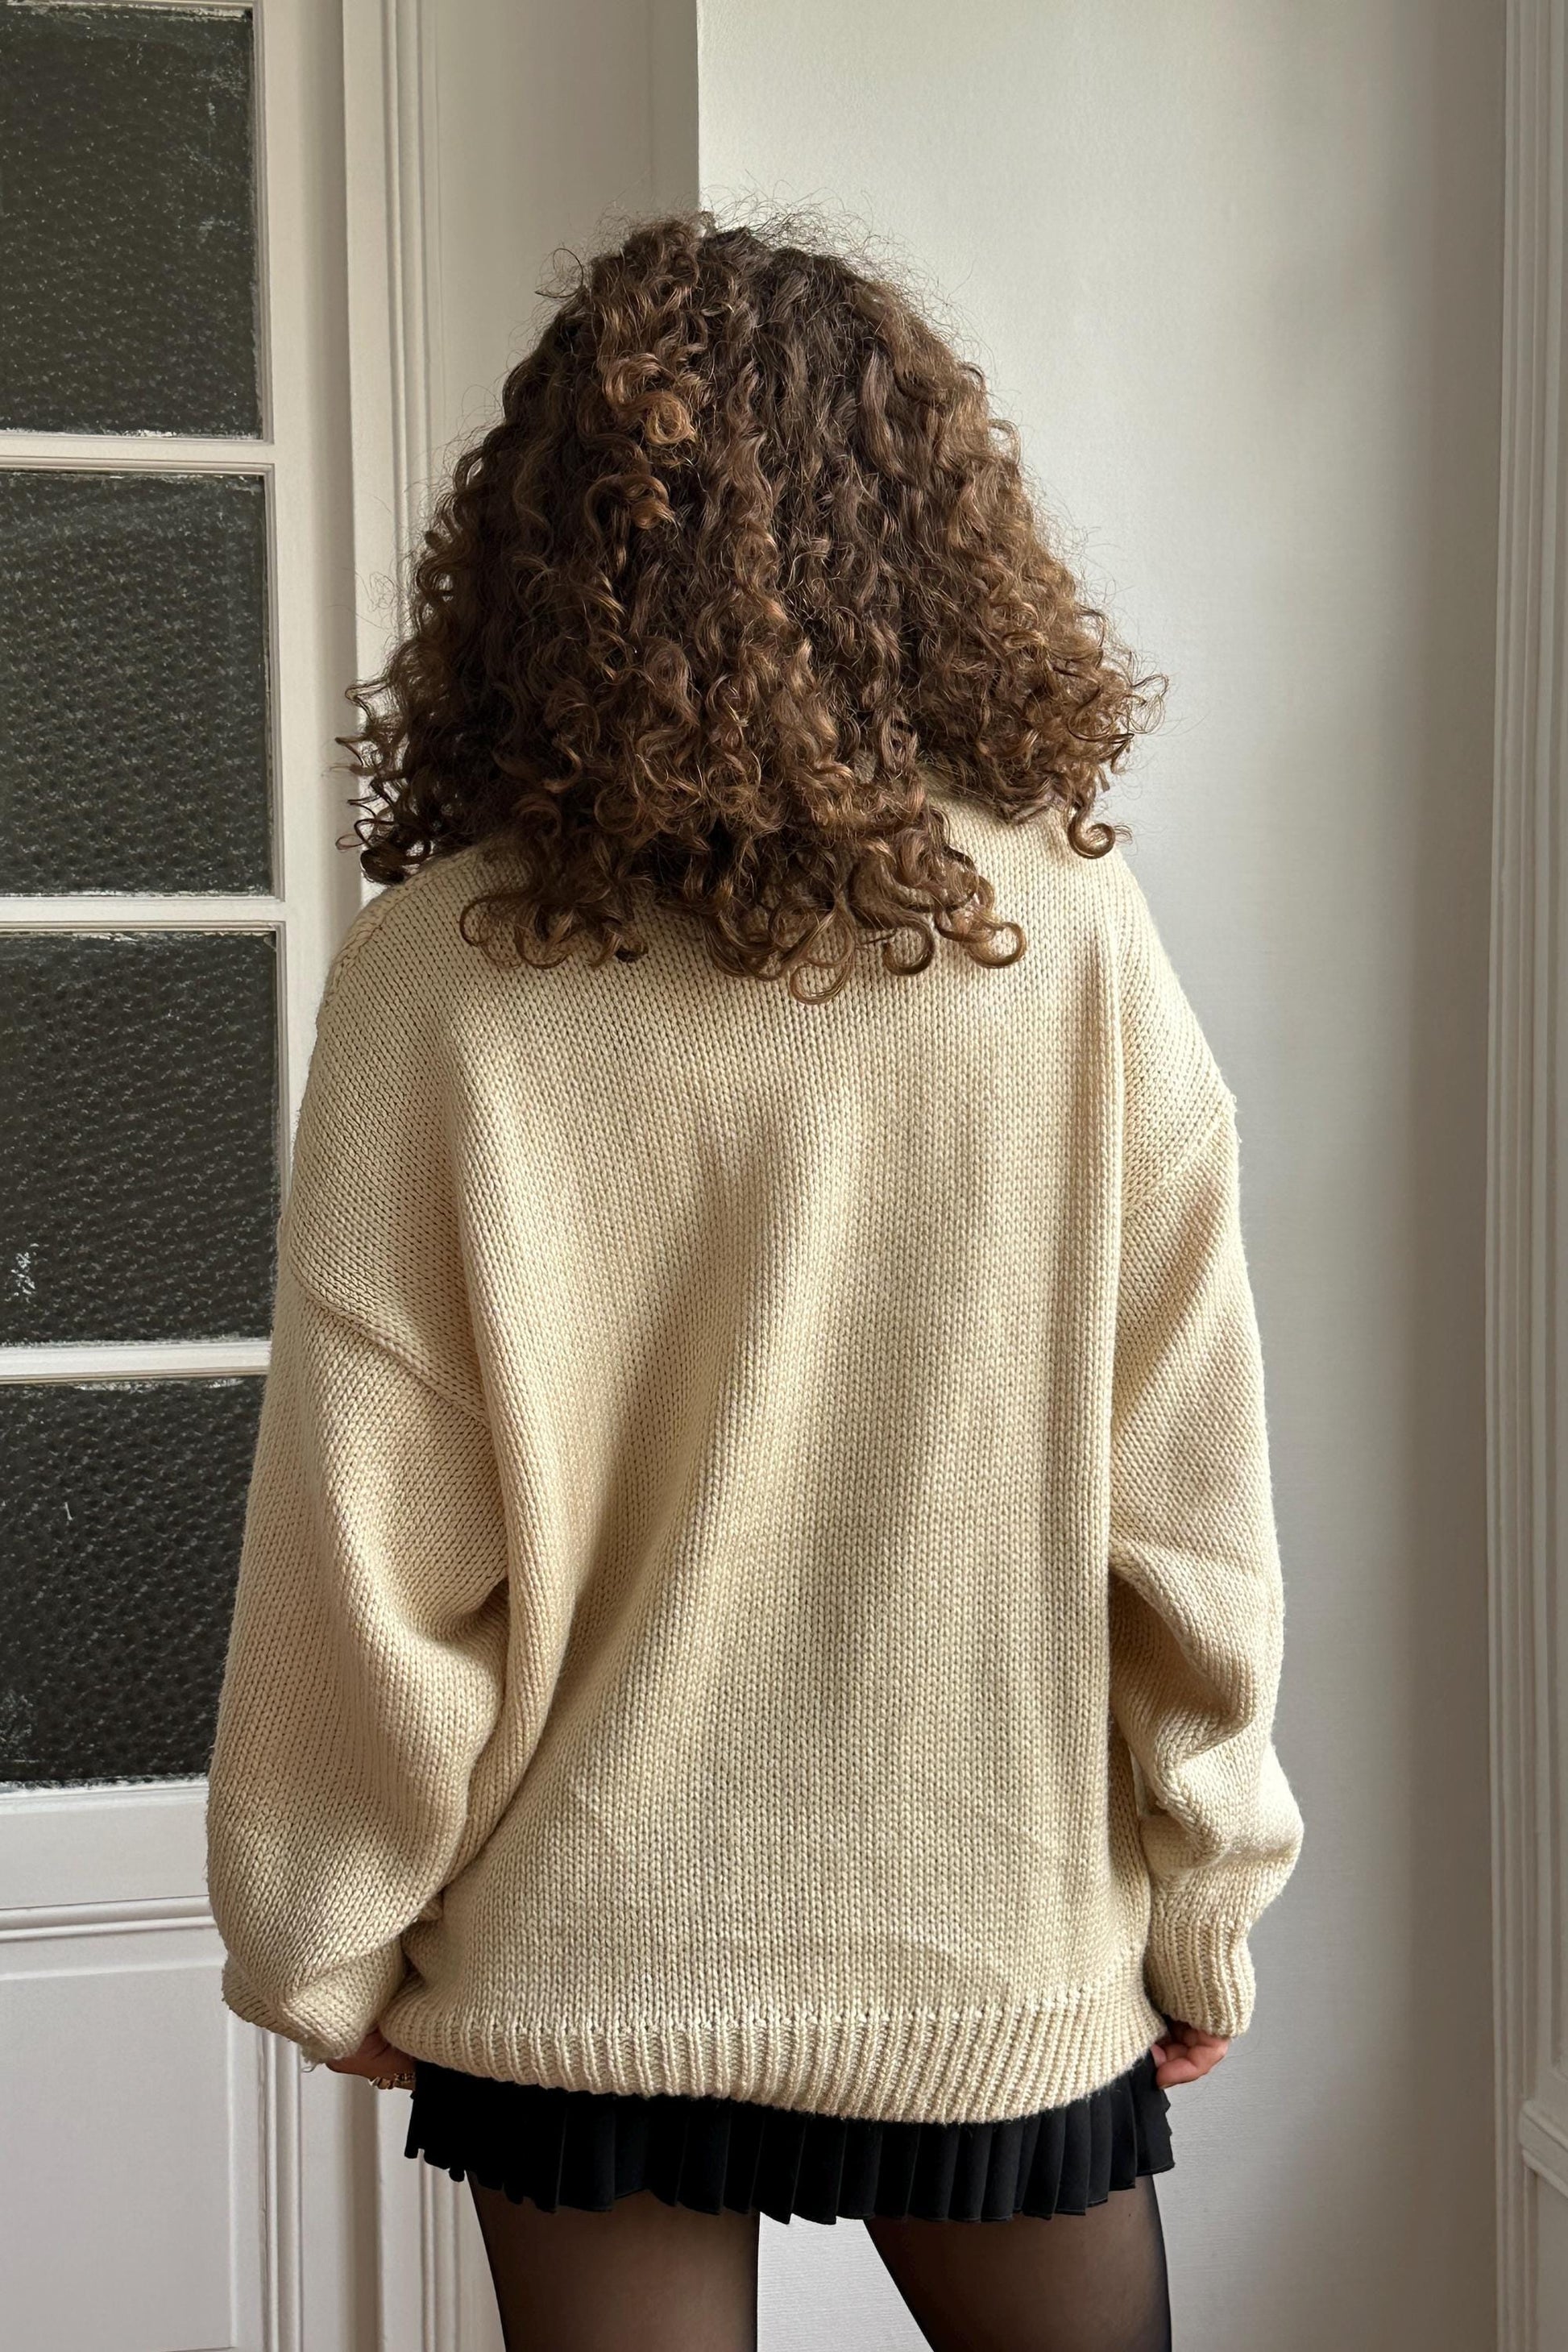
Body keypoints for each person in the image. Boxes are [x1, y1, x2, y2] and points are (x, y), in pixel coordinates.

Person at [204, 211, 1305, 2352]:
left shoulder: (437, 976)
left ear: (540, 568)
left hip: (579, 1954)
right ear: (930, 538)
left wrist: (322, 1926)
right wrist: (1206, 1885)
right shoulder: (1065, 940)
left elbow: (368, 1524)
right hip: (983, 1939)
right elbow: (1185, 1486)